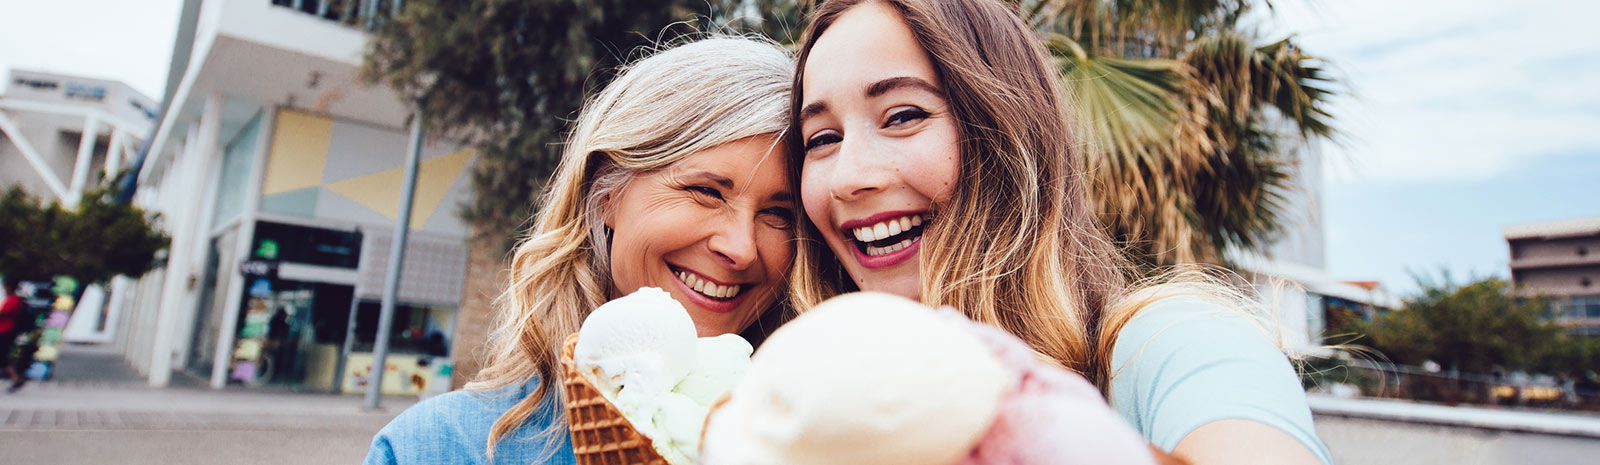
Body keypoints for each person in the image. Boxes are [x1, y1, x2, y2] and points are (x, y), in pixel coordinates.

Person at [788, 1, 1332, 464]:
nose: (849, 177)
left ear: (1008, 131)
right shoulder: (809, 406)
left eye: (903, 115)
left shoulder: (1175, 346)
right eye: (821, 139)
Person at [364, 35, 797, 464]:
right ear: (606, 192)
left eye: (780, 214)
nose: (741, 248)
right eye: (706, 191)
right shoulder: (435, 449)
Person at [1, 279, 24, 391]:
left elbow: (3, 314)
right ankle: (16, 378)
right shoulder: (13, 299)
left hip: (5, 331)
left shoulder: (13, 300)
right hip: (6, 331)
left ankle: (16, 378)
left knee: (2, 356)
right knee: (3, 357)